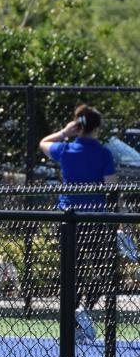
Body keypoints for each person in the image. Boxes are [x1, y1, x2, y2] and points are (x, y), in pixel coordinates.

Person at [39, 104, 116, 343]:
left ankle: (74, 318)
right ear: (97, 127)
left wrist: (64, 132)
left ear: (78, 125)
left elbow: (43, 143)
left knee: (70, 273)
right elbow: (112, 187)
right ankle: (85, 309)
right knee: (104, 272)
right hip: (95, 220)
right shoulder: (103, 153)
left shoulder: (66, 149)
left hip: (67, 218)